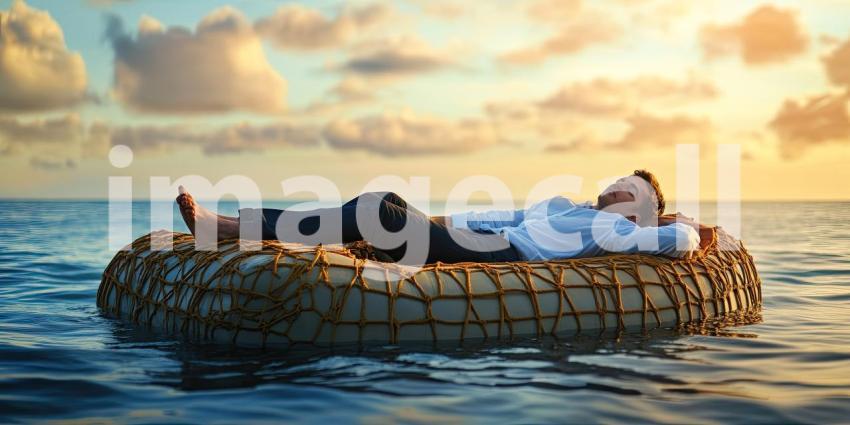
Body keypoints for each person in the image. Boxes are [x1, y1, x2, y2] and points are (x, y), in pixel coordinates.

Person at [175, 169, 701, 265]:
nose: (614, 186)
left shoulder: (620, 230)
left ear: (641, 208)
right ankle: (251, 227)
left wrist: (666, 225)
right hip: (489, 238)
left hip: (508, 258)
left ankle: (231, 228)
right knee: (388, 201)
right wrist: (441, 222)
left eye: (628, 188)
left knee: (376, 212)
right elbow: (508, 212)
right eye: (618, 179)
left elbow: (681, 242)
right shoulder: (567, 206)